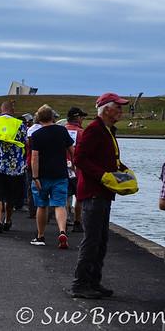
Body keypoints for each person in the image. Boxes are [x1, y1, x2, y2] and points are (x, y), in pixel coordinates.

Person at [70, 93, 130, 299]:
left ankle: (94, 281)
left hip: (103, 192)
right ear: (106, 109)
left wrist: (121, 170)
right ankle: (80, 283)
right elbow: (79, 158)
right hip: (93, 192)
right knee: (92, 239)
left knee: (101, 240)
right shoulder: (94, 130)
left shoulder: (107, 131)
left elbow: (106, 158)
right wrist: (102, 175)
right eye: (118, 108)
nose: (121, 112)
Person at [29, 105, 74, 249]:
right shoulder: (62, 131)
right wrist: (74, 165)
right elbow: (72, 150)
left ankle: (41, 235)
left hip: (42, 175)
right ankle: (62, 231)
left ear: (39, 118)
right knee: (60, 204)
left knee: (42, 205)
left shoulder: (36, 135)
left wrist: (35, 177)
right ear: (52, 117)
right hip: (60, 173)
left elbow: (34, 158)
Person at [0, 102, 27, 233]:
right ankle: (7, 219)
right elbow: (25, 141)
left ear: (0, 110)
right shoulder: (20, 124)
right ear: (12, 110)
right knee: (10, 196)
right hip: (14, 167)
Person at [64, 107, 89, 232]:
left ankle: (65, 220)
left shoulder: (62, 130)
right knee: (79, 197)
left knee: (65, 196)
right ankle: (77, 222)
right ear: (77, 118)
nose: (83, 119)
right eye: (82, 117)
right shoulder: (82, 133)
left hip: (62, 168)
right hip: (78, 169)